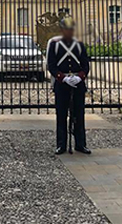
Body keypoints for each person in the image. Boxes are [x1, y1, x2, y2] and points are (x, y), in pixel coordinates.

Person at [46, 15, 91, 155]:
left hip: (77, 84)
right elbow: (51, 66)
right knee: (61, 115)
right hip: (62, 84)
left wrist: (80, 77)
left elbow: (85, 65)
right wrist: (63, 78)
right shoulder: (54, 44)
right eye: (66, 29)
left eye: (71, 29)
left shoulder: (79, 45)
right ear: (62, 30)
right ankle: (61, 145)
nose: (69, 32)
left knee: (79, 114)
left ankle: (80, 144)